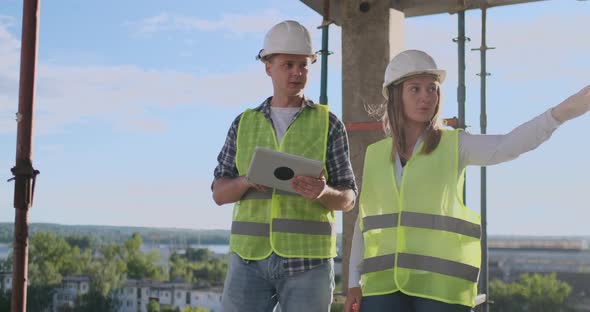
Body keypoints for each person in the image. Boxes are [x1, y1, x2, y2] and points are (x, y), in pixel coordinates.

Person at [344, 49, 590, 312]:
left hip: (440, 288)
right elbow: (364, 223)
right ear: (395, 96)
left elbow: (508, 145)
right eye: (415, 89)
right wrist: (352, 284)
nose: (426, 97)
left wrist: (560, 113)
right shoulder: (375, 154)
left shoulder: (455, 144)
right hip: (383, 287)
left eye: (432, 89)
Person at [212, 20, 357, 312]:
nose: (297, 73)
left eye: (303, 65)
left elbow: (349, 197)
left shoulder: (329, 124)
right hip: (248, 261)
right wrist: (245, 181)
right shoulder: (243, 124)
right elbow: (219, 193)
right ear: (268, 66)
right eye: (288, 65)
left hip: (309, 263)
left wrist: (323, 192)